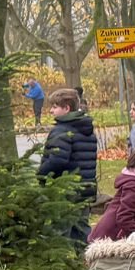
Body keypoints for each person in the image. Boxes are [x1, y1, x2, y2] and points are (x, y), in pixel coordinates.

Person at [37, 87, 100, 250]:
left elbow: (57, 160)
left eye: (54, 107)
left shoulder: (62, 130)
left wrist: (41, 173)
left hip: (66, 187)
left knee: (61, 226)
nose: (51, 111)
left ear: (66, 108)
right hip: (86, 185)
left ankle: (62, 261)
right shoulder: (87, 129)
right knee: (81, 225)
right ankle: (83, 258)